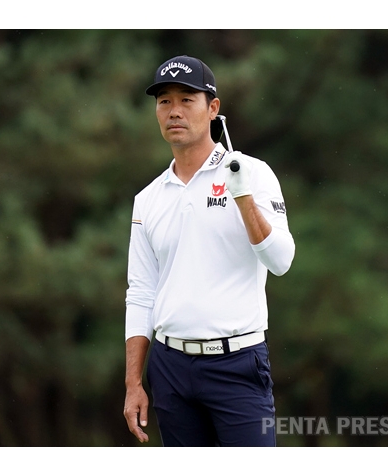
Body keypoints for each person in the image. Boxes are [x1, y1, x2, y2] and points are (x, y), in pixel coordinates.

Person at [123, 55, 296, 446]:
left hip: (237, 364)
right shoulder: (148, 198)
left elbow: (281, 261)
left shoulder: (252, 173)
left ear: (213, 108)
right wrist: (134, 383)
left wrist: (244, 198)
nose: (174, 111)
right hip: (169, 369)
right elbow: (141, 294)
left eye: (187, 100)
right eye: (164, 101)